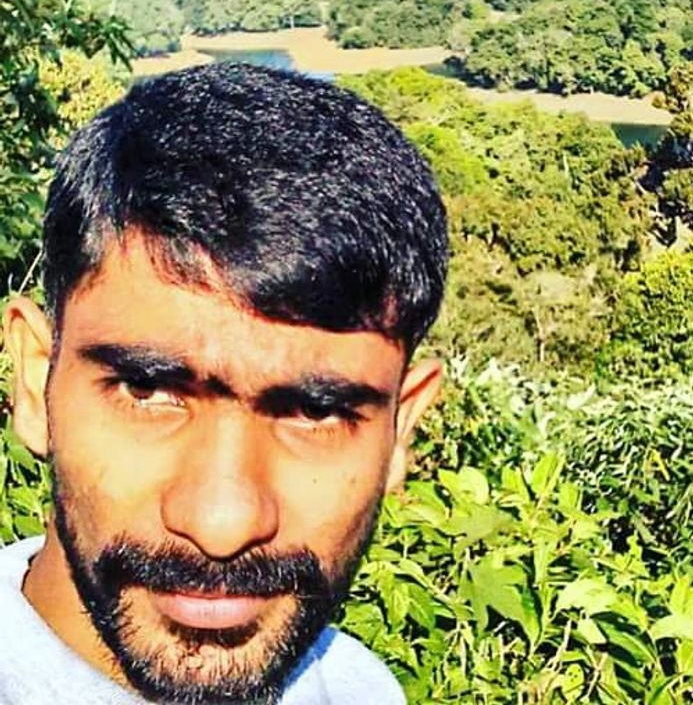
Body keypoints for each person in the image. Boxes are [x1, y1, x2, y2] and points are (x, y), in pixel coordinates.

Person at [0, 62, 449, 704]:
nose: (222, 524)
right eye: (148, 390)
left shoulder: (355, 687)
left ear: (400, 429)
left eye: (316, 412)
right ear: (36, 379)